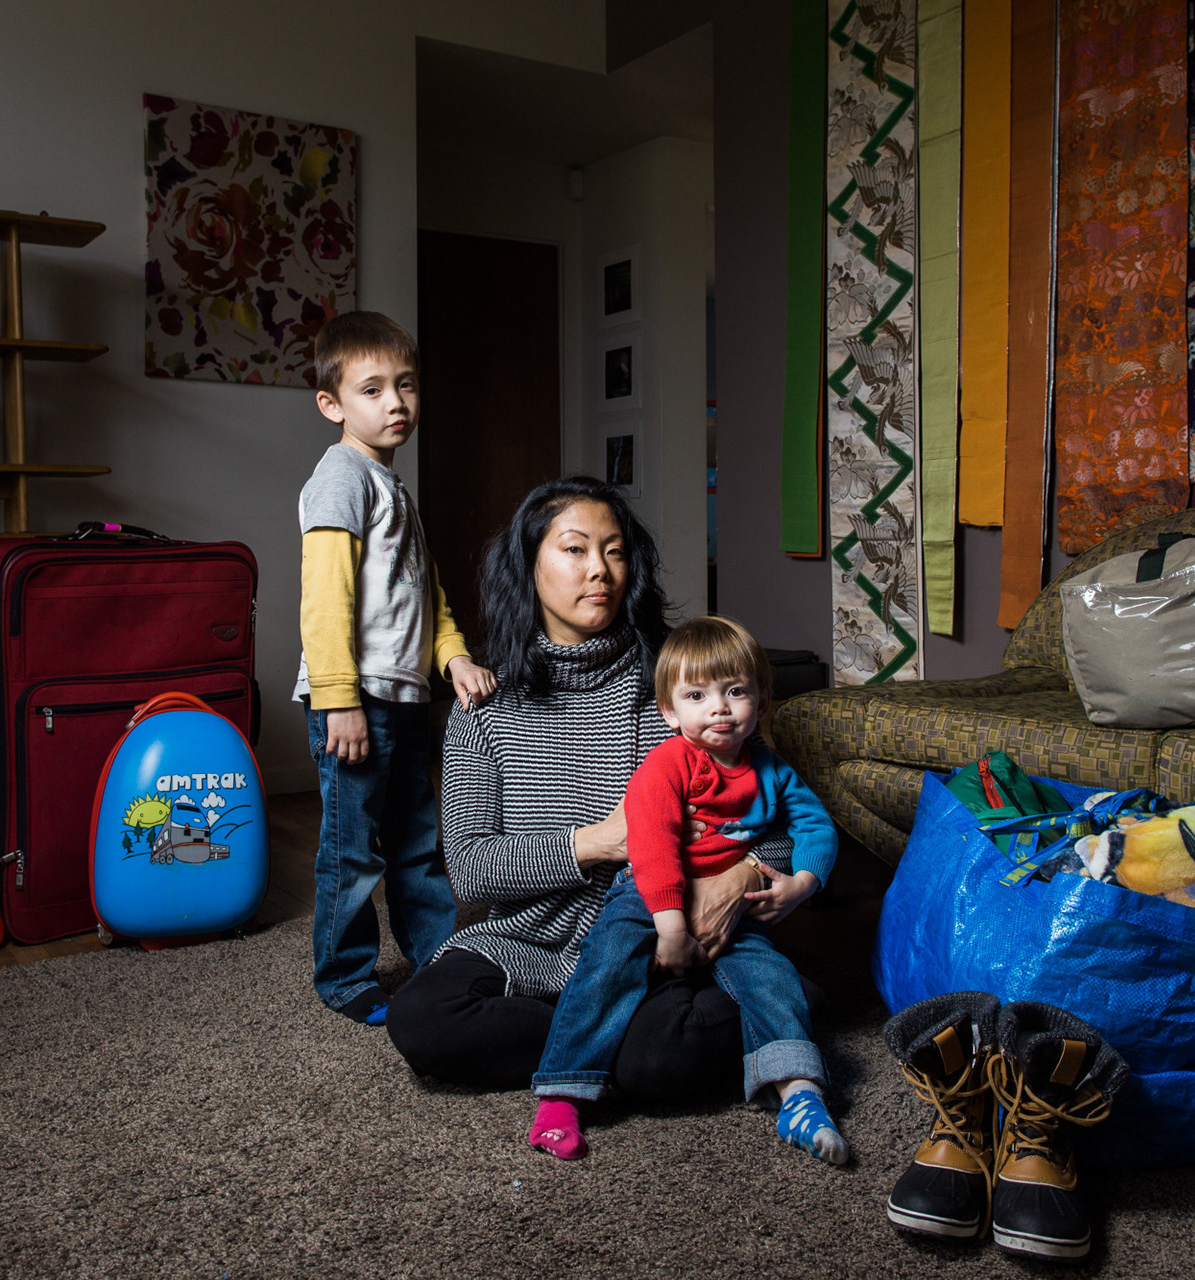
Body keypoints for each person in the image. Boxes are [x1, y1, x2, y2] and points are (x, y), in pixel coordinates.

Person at [385, 477, 795, 1097]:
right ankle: (608, 1038)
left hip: (656, 946)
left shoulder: (678, 688)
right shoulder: (485, 708)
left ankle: (612, 1042)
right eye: (575, 550)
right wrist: (598, 843)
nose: (598, 570)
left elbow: (778, 819)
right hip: (528, 943)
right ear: (529, 566)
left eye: (614, 550)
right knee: (422, 1021)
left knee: (661, 1061)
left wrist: (742, 876)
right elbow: (469, 868)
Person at [526, 617, 844, 1164]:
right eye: (697, 695)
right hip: (647, 892)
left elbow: (815, 828)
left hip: (726, 902)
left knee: (769, 975)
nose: (718, 708)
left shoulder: (772, 771)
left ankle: (798, 1096)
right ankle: (562, 1094)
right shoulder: (669, 762)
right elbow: (650, 845)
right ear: (670, 712)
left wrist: (803, 883)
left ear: (762, 701)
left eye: (735, 691)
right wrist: (670, 927)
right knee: (607, 963)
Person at [294, 310, 497, 1024]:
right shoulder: (341, 479)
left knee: (418, 839)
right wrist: (338, 697)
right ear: (332, 404)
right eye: (373, 389)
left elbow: (426, 591)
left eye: (405, 386)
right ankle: (345, 978)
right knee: (353, 850)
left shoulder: (393, 488)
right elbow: (325, 600)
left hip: (407, 697)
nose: (396, 403)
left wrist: (454, 656)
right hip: (356, 702)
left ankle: (437, 954)